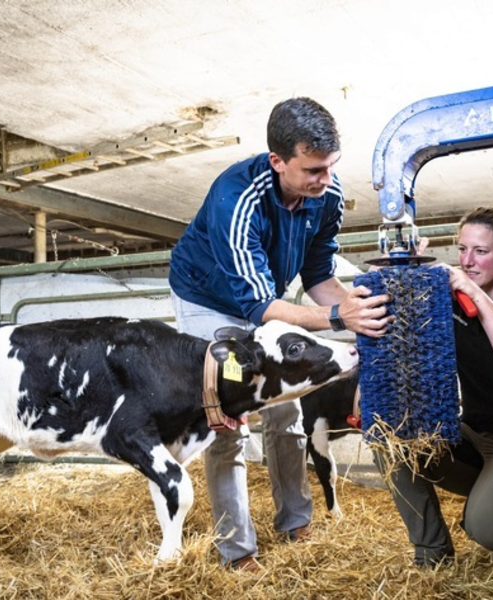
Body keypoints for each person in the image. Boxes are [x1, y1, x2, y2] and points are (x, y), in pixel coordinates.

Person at [168, 96, 391, 570]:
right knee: (226, 423)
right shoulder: (237, 199)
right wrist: (337, 320)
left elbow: (317, 277)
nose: (325, 179)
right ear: (277, 161)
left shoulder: (324, 196)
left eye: (330, 166)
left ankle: (295, 521)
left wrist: (359, 309)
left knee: (286, 409)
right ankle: (237, 549)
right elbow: (257, 309)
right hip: (208, 302)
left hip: (268, 297)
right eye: (312, 169)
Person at [377, 205, 493, 569]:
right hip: (473, 437)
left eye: (481, 251)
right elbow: (403, 334)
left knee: (490, 530)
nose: (467, 261)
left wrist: (478, 298)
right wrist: (405, 276)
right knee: (392, 441)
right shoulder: (450, 302)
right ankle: (432, 554)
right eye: (462, 249)